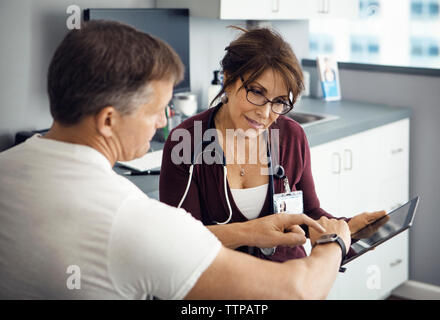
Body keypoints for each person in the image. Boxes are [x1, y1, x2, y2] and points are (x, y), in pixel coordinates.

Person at [0, 20, 358, 300]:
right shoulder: (135, 218)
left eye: (279, 102)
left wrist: (343, 227)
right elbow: (300, 291)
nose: (163, 121)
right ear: (108, 120)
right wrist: (334, 245)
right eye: (156, 110)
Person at [159, 26, 386, 262]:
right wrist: (251, 233)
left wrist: (348, 229)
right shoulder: (186, 142)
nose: (265, 113)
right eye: (256, 92)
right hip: (221, 280)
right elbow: (180, 240)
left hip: (286, 277)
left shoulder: (291, 136)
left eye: (279, 101)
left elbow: (308, 214)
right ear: (227, 80)